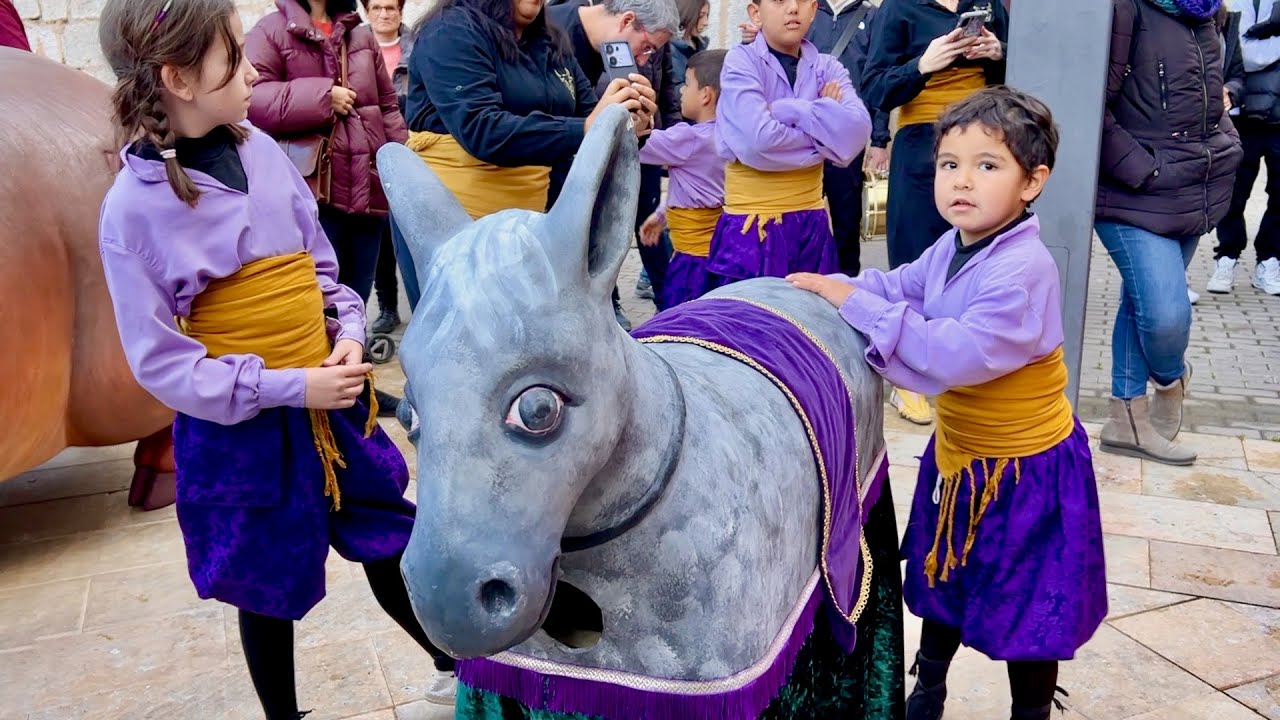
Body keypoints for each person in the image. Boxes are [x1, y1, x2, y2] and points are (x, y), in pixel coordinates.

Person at [94, 0, 458, 716]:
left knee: (387, 533)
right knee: (262, 581)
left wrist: (348, 327)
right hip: (243, 432)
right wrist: (292, 386)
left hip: (334, 393)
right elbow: (163, 364)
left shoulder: (259, 148)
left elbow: (319, 267)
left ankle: (457, 667)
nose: (254, 65)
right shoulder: (130, 213)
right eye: (233, 53)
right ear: (179, 78)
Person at [788, 87, 1106, 720]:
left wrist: (856, 304)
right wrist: (830, 289)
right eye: (949, 164)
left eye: (988, 165)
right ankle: (927, 690)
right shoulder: (955, 245)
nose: (963, 181)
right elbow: (895, 284)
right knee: (944, 577)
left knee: (1028, 599)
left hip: (1025, 472)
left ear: (1031, 182)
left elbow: (952, 352)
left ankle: (1031, 710)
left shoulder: (1021, 269)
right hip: (961, 458)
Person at [1095, 0, 1242, 466]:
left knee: (1140, 302)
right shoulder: (1122, 9)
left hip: (1196, 181)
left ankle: (1125, 419)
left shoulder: (1208, 11)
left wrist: (1225, 141)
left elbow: (1220, 85)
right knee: (1163, 313)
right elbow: (1088, 101)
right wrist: (1144, 169)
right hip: (1135, 188)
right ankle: (1171, 377)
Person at [247, 0, 408, 416]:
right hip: (311, 191)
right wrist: (322, 95)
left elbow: (387, 105)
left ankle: (358, 390)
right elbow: (252, 98)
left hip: (365, 186)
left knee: (356, 293)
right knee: (318, 298)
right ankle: (323, 395)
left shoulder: (359, 33)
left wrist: (398, 166)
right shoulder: (271, 31)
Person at [860, 0, 1009, 426]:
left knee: (979, 257)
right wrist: (922, 66)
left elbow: (1026, 70)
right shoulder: (899, 8)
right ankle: (906, 379)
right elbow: (874, 88)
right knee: (914, 258)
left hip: (985, 140)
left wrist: (999, 54)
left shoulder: (987, 3)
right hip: (922, 144)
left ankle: (965, 370)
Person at [709, 0, 870, 288]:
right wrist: (825, 129)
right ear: (755, 13)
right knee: (750, 319)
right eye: (780, 1)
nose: (792, 8)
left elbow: (856, 135)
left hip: (811, 226)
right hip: (751, 227)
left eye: (801, 1)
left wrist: (791, 110)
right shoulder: (740, 62)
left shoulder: (827, 66)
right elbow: (757, 142)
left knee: (810, 320)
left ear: (812, 9)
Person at [547, 0, 682, 324]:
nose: (642, 59)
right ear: (627, 20)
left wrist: (639, 127)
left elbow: (595, 121)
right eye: (647, 47)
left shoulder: (610, 51)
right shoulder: (550, 30)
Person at [740, 0, 892, 277]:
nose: (793, 9)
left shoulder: (871, 15)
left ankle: (846, 284)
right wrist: (823, 114)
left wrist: (879, 139)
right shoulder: (806, 10)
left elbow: (875, 79)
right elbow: (760, 130)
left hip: (843, 139)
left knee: (846, 220)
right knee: (793, 222)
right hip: (802, 137)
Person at [637, 49, 727, 309]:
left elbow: (635, 144)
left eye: (687, 84)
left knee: (678, 318)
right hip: (721, 258)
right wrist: (662, 213)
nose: (680, 91)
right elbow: (697, 188)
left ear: (706, 95)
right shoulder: (731, 137)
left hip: (690, 262)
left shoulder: (688, 139)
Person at [1207, 0, 1280, 296]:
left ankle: (1270, 259)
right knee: (1233, 194)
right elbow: (1239, 55)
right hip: (1241, 114)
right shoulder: (1234, 4)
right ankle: (1227, 256)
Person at [361, 0, 417, 333]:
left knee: (414, 231)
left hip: (410, 145)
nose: (385, 14)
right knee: (381, 233)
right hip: (368, 152)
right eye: (378, 7)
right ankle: (387, 307)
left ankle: (426, 304)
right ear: (367, 11)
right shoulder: (354, 46)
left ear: (400, 10)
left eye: (391, 7)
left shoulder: (417, 47)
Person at [669, 0, 710, 85]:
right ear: (688, 14)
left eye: (707, 15)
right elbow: (676, 90)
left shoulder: (698, 45)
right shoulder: (672, 49)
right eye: (701, 16)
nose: (706, 22)